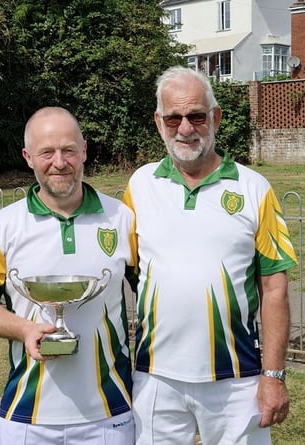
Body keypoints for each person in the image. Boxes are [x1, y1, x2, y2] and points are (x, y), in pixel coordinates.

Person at [123, 66, 298, 444]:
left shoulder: (255, 188)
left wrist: (273, 376)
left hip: (237, 378)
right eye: (173, 118)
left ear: (215, 118)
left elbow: (274, 289)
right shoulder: (140, 185)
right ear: (159, 123)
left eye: (196, 116)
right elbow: (130, 271)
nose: (185, 128)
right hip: (155, 376)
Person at [0, 107, 136, 444]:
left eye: (69, 150)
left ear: (85, 151)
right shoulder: (1, 226)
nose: (59, 162)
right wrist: (25, 329)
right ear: (28, 157)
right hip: (28, 416)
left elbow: (154, 297)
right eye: (47, 152)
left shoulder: (122, 219)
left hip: (110, 415)